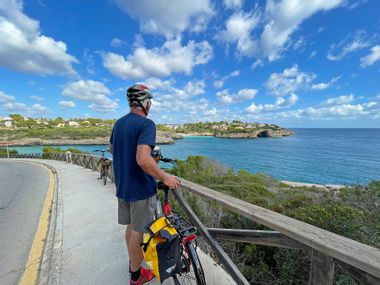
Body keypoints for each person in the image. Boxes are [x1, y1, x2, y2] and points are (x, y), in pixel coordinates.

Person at [109, 84, 180, 285]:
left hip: (123, 186)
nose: (150, 106)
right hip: (140, 189)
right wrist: (165, 177)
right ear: (145, 103)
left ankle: (134, 263)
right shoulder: (146, 124)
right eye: (150, 102)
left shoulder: (119, 123)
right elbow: (143, 159)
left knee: (131, 228)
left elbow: (113, 149)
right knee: (138, 232)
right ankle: (136, 275)